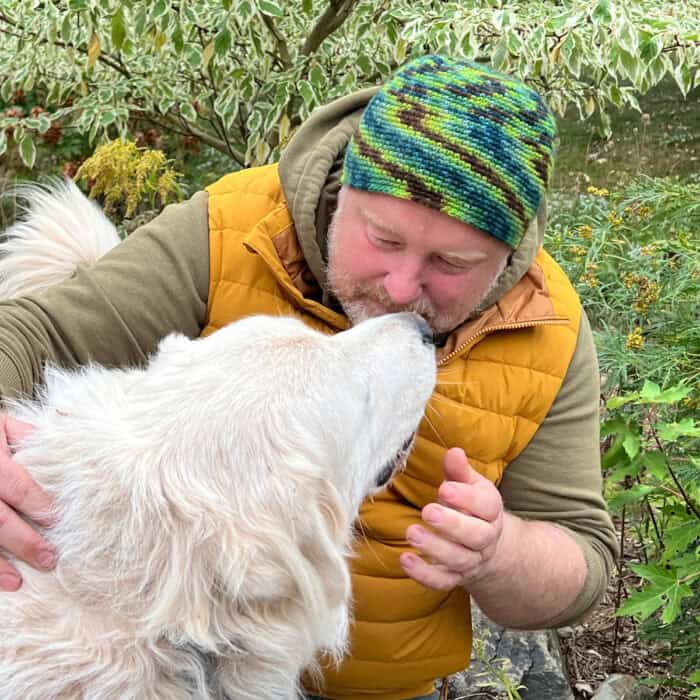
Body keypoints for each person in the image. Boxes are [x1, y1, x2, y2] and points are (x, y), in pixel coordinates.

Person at [0, 55, 618, 700]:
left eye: (451, 261)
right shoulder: (230, 228)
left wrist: (500, 553)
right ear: (343, 187)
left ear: (508, 255)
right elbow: (32, 333)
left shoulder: (549, 326)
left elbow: (581, 562)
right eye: (381, 238)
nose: (403, 288)